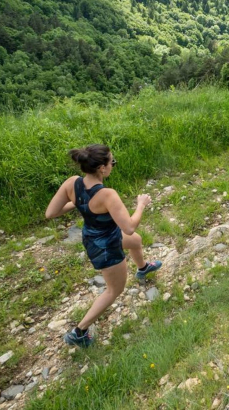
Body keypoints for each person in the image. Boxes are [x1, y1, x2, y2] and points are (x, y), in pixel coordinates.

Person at [45, 144, 162, 347]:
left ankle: (142, 269)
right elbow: (129, 227)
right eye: (112, 162)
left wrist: (78, 201)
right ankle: (79, 332)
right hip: (106, 246)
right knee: (113, 290)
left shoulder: (72, 183)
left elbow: (51, 213)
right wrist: (141, 204)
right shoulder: (107, 195)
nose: (112, 166)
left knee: (136, 242)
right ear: (101, 168)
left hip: (94, 237)